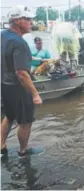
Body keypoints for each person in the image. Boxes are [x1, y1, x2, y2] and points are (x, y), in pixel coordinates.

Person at [1, 5, 43, 158]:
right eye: (28, 19)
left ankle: (2, 146)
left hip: (4, 85)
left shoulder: (3, 36)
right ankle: (23, 151)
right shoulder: (19, 43)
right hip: (19, 88)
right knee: (25, 121)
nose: (30, 22)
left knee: (9, 116)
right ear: (17, 21)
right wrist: (35, 94)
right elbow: (21, 73)